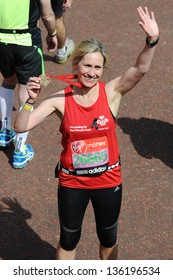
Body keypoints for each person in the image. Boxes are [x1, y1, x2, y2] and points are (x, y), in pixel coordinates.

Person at [14, 6, 159, 259]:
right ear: (76, 64)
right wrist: (29, 101)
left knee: (108, 238)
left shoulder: (111, 92)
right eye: (87, 65)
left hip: (108, 180)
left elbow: (140, 69)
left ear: (103, 70)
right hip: (73, 183)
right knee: (69, 240)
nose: (92, 72)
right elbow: (21, 126)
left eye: (98, 68)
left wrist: (152, 41)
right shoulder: (60, 99)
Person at [0, 0, 57, 168]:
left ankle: (4, 131)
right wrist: (52, 33)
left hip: (2, 40)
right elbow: (47, 14)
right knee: (28, 89)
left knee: (9, 80)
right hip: (26, 41)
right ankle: (20, 149)